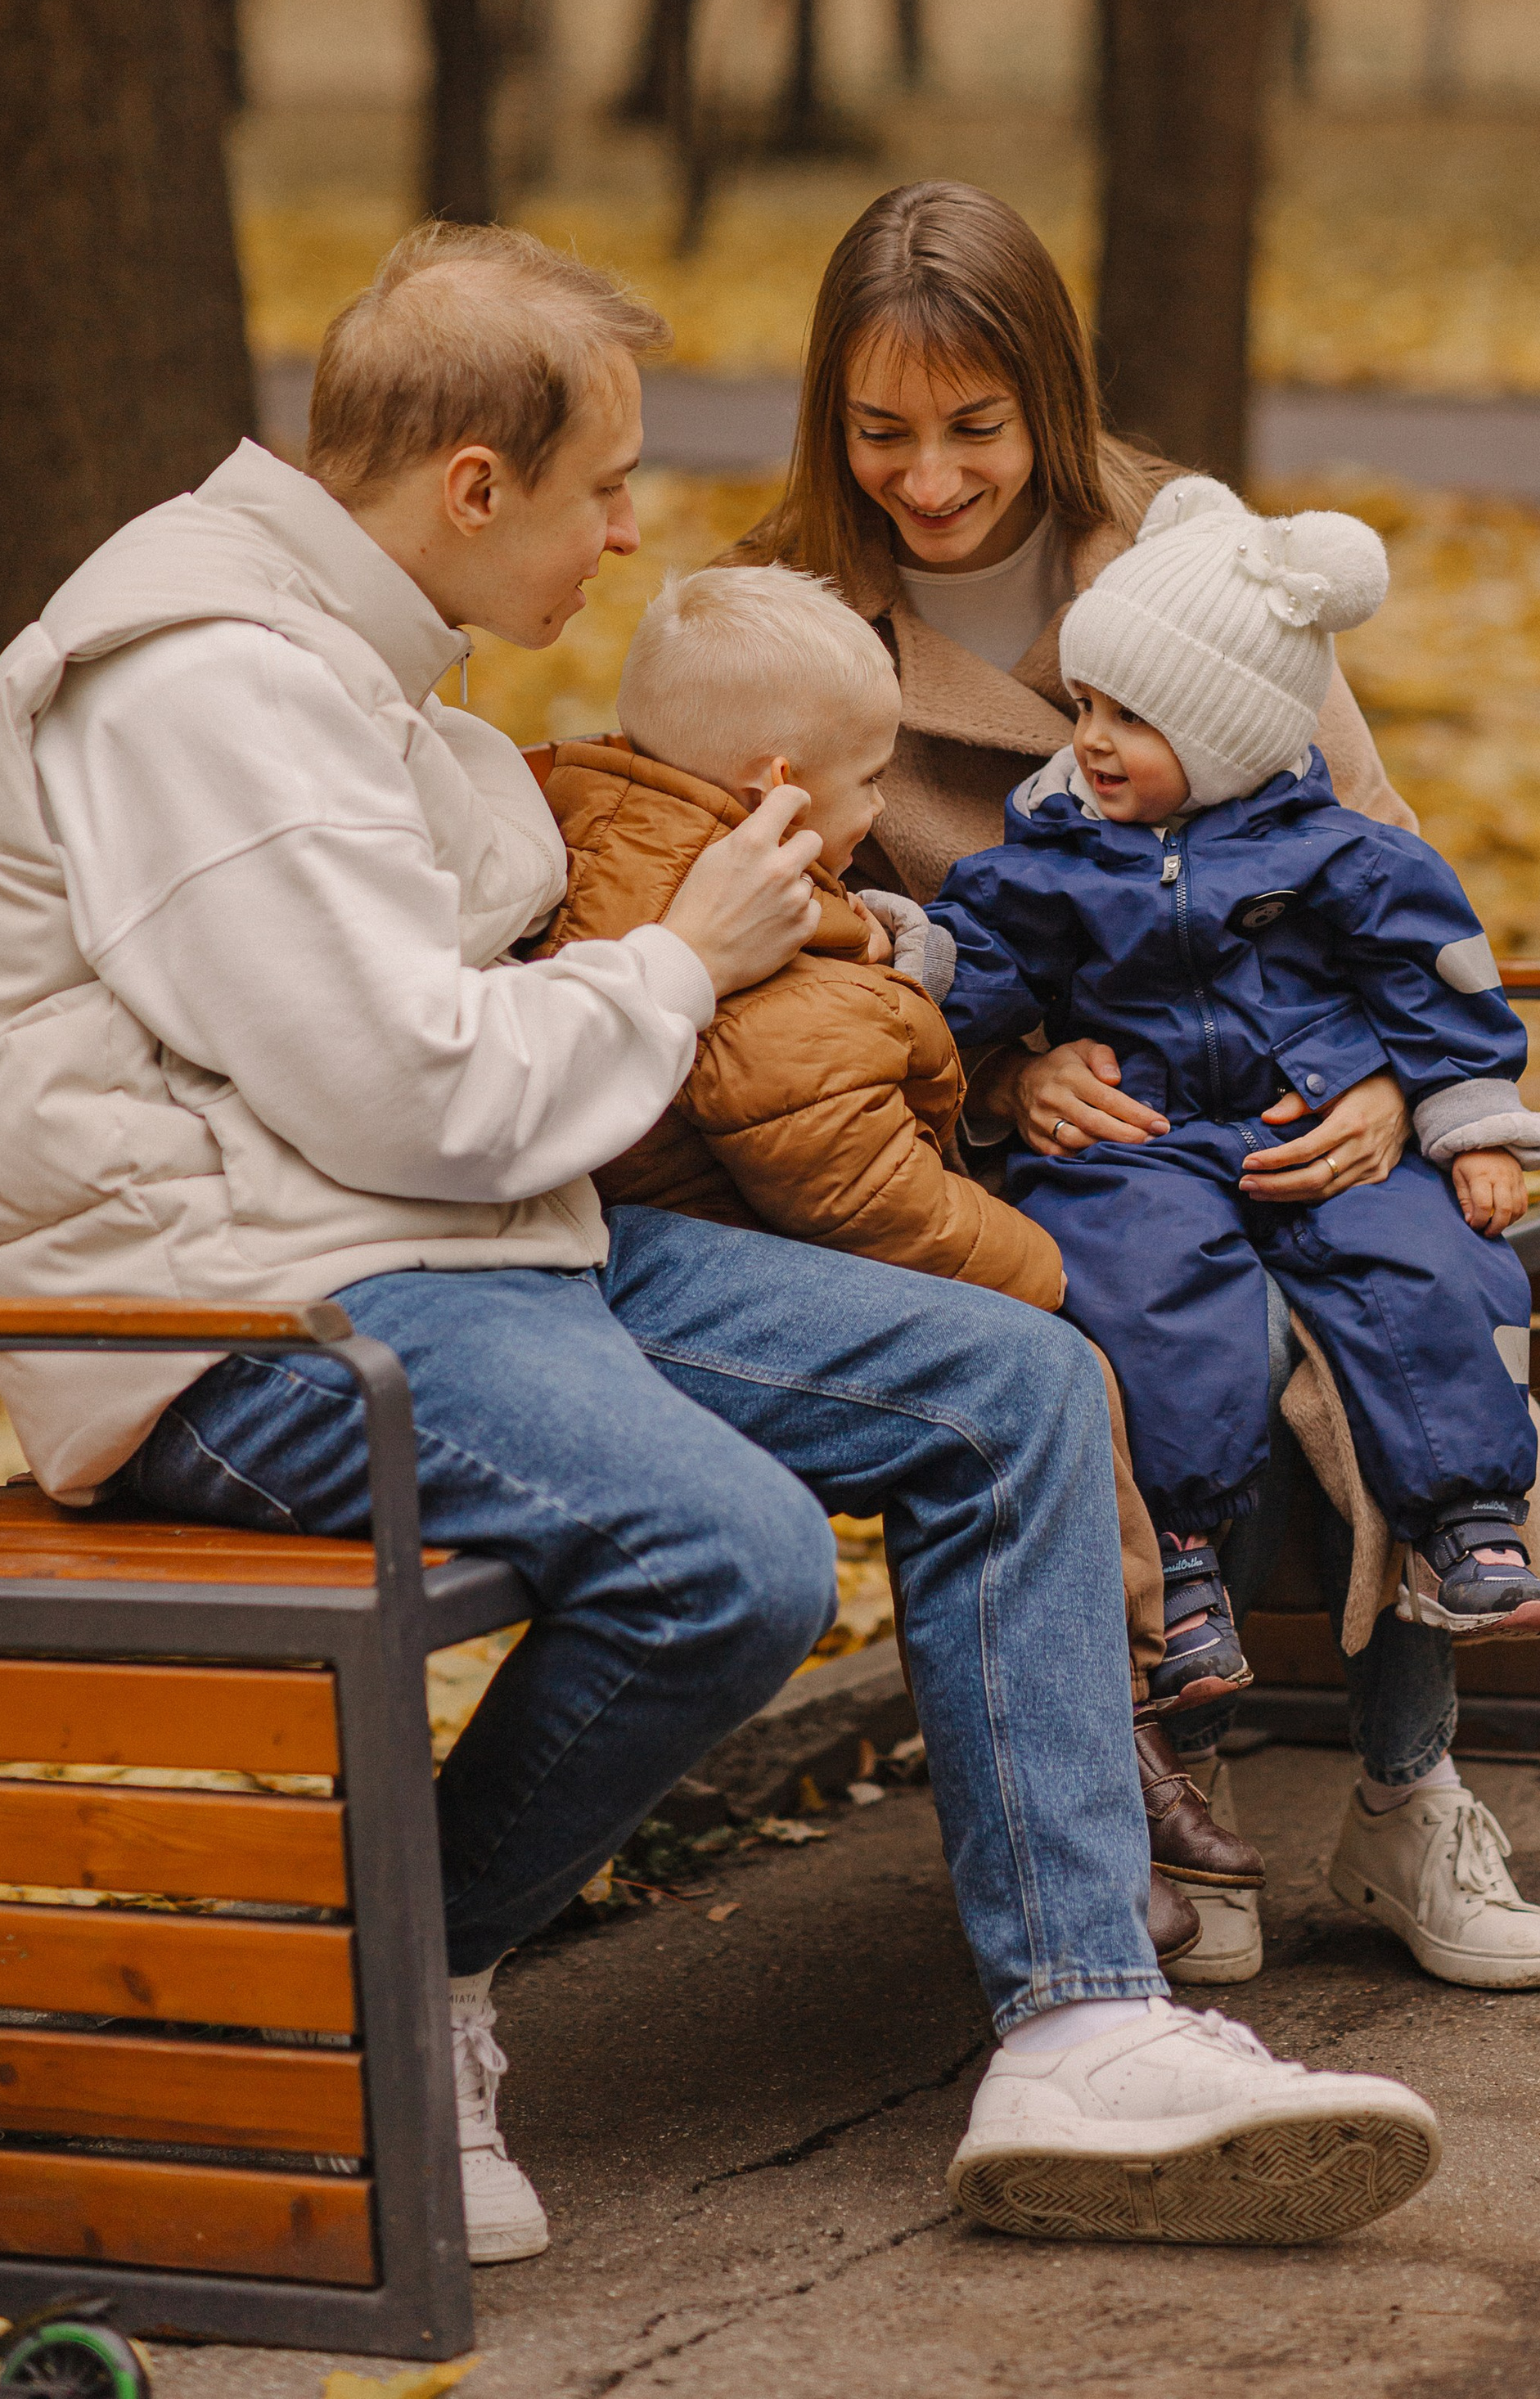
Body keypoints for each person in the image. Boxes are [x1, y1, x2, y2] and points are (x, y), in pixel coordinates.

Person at [0, 218, 1442, 2262]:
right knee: (727, 1553)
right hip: (248, 1316)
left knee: (1019, 1390)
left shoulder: (341, 659)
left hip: (461, 1247)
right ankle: (389, 1989)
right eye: (599, 487)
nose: (626, 535)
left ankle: (1081, 2023)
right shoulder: (208, 687)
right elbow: (418, 1092)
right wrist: (685, 963)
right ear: (471, 490)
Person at [728, 177, 1540, 1991]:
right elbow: (815, 933)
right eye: (880, 433)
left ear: (1047, 392)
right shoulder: (800, 606)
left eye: (973, 427)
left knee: (1404, 1302)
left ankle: (1406, 1801)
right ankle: (1178, 1808)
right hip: (1024, 1113)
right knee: (1164, 1326)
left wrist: (1378, 1086)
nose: (932, 479)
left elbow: (1366, 845)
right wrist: (1012, 1069)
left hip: (1296, 1083)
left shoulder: (1193, 552)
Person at [534, 560, 1265, 1962]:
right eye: (867, 784)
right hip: (722, 1263)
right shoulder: (732, 924)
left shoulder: (664, 839)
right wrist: (1027, 1254)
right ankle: (1127, 1734)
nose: (880, 818)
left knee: (1039, 1365)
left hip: (719, 1240)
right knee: (1044, 1357)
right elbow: (844, 1175)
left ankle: (1112, 1782)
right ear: (777, 783)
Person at [929, 479, 1540, 1644]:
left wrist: (1468, 1121)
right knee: (1146, 1289)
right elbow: (977, 961)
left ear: (1228, 738)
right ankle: (1179, 1558)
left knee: (1430, 1263)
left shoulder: (1343, 858)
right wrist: (913, 964)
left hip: (1314, 1126)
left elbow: (1438, 979)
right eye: (1085, 704)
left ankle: (1471, 1523)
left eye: (1132, 717)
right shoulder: (1056, 856)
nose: (1090, 741)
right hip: (1144, 1139)